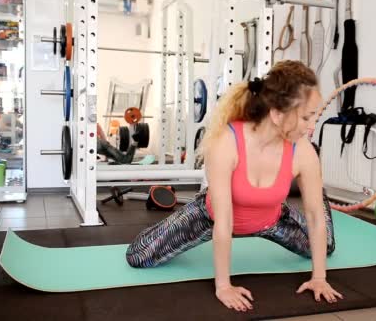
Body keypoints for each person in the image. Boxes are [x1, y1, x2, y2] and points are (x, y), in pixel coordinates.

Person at [125, 60, 342, 312]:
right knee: (138, 256)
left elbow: (314, 216)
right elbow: (224, 222)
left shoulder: (303, 150)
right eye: (307, 117)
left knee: (325, 247)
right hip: (211, 216)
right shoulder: (226, 142)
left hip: (272, 218)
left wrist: (319, 278)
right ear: (277, 113)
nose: (313, 125)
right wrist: (223, 285)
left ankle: (318, 189)